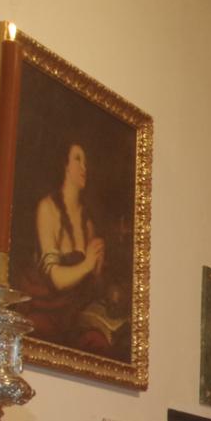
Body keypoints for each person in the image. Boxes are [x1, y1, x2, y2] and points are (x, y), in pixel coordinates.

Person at [19, 141, 127, 355]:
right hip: (46, 308)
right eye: (78, 159)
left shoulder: (87, 222)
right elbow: (56, 280)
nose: (84, 167)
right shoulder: (47, 209)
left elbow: (91, 285)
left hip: (76, 313)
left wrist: (97, 266)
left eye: (86, 162)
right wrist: (87, 264)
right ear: (65, 165)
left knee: (101, 343)